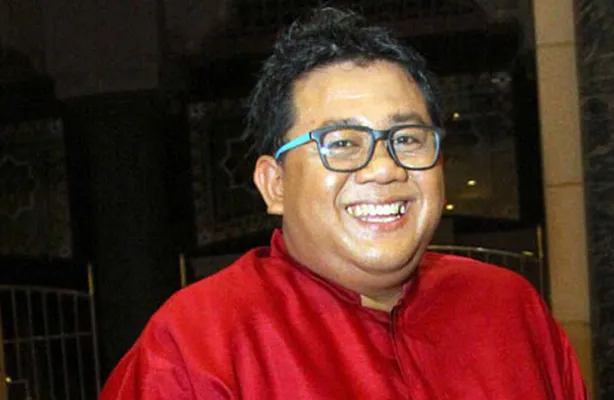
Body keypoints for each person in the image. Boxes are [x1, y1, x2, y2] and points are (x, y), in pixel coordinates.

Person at [100, 7, 587, 399]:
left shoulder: (509, 309)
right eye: (342, 143)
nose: (384, 169)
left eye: (407, 138)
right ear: (275, 184)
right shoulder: (196, 348)